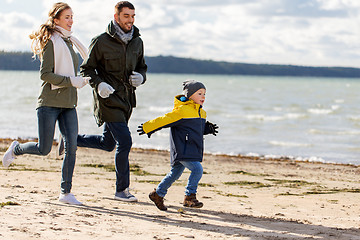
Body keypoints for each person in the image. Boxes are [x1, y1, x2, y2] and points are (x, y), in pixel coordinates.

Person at [2, 2, 89, 205]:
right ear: (56, 19)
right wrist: (71, 81)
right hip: (48, 103)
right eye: (67, 17)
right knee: (44, 148)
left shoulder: (71, 42)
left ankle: (65, 193)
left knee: (72, 147)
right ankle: (16, 149)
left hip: (69, 103)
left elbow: (76, 70)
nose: (71, 21)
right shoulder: (51, 41)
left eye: (72, 17)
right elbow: (45, 74)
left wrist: (84, 80)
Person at [76, 1, 147, 202]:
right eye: (126, 16)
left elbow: (142, 66)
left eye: (133, 16)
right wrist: (98, 85)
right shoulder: (100, 41)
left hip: (127, 102)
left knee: (108, 144)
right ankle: (121, 190)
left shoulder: (137, 41)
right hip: (107, 100)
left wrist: (141, 77)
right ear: (116, 17)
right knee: (125, 141)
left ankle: (71, 139)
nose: (130, 20)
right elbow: (86, 69)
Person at [137, 80, 218, 211]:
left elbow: (196, 129)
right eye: (199, 93)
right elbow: (165, 120)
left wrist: (207, 129)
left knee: (175, 174)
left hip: (192, 149)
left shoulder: (201, 113)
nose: (203, 97)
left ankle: (158, 194)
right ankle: (189, 197)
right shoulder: (181, 111)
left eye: (204, 94)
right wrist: (148, 127)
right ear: (189, 95)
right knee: (197, 170)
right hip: (183, 149)